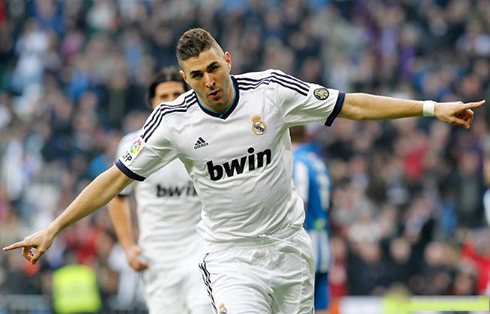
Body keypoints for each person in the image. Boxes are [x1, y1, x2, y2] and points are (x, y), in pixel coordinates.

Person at [3, 28, 485, 313]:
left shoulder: (271, 91)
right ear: (186, 79)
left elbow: (351, 106)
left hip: (291, 249)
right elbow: (113, 180)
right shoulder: (172, 122)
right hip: (231, 258)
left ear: (227, 60)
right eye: (197, 75)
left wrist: (429, 108)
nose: (209, 81)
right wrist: (54, 227)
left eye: (213, 68)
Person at [107, 67, 212, 314]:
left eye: (177, 94)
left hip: (202, 250)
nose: (171, 101)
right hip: (157, 256)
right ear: (152, 103)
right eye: (163, 97)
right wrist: (128, 246)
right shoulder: (134, 145)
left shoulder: (209, 139)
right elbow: (117, 197)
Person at [291, 125, 332, 314]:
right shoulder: (316, 160)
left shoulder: (297, 162)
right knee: (321, 301)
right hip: (322, 240)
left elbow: (300, 204)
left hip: (305, 242)